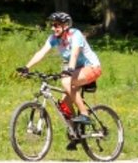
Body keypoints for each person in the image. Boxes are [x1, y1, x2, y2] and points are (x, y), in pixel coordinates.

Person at [19, 11, 103, 149]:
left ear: (65, 25)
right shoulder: (54, 38)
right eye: (52, 25)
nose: (53, 28)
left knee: (65, 81)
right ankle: (75, 133)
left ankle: (84, 114)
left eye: (56, 25)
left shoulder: (75, 35)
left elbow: (75, 54)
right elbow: (41, 52)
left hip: (92, 68)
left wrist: (69, 69)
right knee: (63, 106)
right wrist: (26, 67)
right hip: (76, 71)